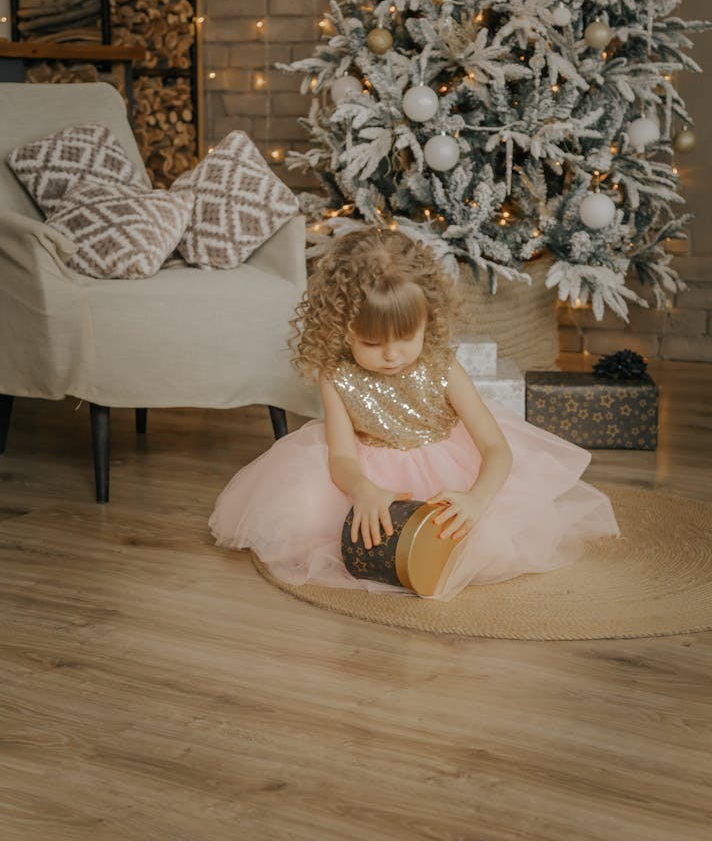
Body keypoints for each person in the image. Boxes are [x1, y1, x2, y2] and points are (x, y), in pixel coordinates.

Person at [209, 227, 619, 601]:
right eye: (371, 342)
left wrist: (476, 500)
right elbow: (341, 457)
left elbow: (496, 448)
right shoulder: (335, 375)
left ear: (428, 320)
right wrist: (363, 489)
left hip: (448, 466)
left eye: (406, 338)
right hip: (372, 471)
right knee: (303, 516)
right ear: (343, 328)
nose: (391, 355)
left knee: (484, 539)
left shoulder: (442, 366)